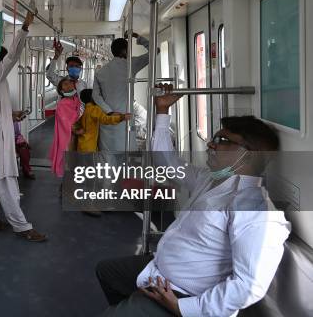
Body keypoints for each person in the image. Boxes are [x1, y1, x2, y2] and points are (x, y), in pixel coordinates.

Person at [95, 84, 291, 317]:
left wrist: (183, 308)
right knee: (107, 272)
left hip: (185, 294)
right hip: (161, 273)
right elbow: (167, 163)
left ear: (247, 154)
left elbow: (249, 285)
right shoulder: (209, 180)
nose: (211, 144)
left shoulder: (255, 210)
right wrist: (162, 111)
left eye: (222, 140)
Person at [0, 11, 46, 243]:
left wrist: (11, 114)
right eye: (4, 60)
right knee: (5, 181)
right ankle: (22, 226)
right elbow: (14, 54)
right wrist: (24, 27)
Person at [93, 32, 152, 151]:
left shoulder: (101, 71)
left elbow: (96, 95)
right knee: (126, 152)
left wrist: (109, 112)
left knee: (108, 156)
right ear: (125, 51)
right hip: (126, 117)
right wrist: (136, 36)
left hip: (107, 118)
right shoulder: (131, 65)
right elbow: (154, 50)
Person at [77, 89, 131, 153]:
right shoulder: (94, 109)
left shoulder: (84, 110)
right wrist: (121, 117)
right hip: (89, 146)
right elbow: (105, 119)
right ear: (93, 98)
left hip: (81, 144)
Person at [49, 78, 84, 177]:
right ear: (61, 90)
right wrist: (74, 129)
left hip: (75, 131)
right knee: (66, 153)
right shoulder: (62, 103)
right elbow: (64, 120)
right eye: (65, 84)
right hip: (67, 133)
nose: (68, 85)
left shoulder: (76, 100)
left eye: (70, 83)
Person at [13, 111, 35, 179]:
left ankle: (26, 169)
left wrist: (22, 139)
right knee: (22, 148)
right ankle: (26, 169)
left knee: (24, 148)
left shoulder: (15, 121)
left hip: (15, 138)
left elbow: (17, 134)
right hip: (7, 139)